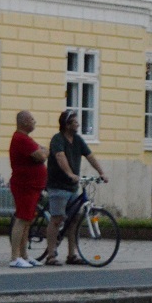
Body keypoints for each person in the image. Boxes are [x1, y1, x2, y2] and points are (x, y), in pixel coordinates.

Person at [38, 109, 107, 266]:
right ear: (67, 124)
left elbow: (90, 156)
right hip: (58, 185)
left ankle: (72, 255)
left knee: (74, 219)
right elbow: (60, 157)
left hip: (72, 186)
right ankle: (50, 256)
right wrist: (70, 173)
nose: (78, 124)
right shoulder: (58, 139)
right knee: (57, 219)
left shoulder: (78, 140)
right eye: (75, 122)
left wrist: (101, 172)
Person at [7, 111, 48, 269]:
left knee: (27, 221)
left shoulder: (26, 139)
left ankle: (24, 255)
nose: (34, 122)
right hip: (24, 186)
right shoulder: (21, 139)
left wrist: (42, 151)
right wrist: (42, 151)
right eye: (32, 119)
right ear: (24, 122)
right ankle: (14, 257)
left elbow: (44, 151)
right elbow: (42, 155)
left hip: (32, 186)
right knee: (22, 219)